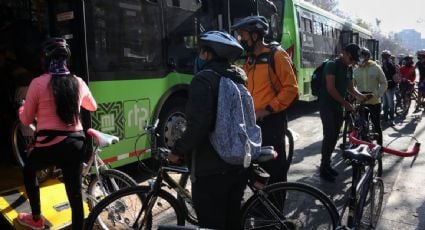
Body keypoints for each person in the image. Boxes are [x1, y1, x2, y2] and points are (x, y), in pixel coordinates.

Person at [167, 31, 247, 230]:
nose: (199, 57)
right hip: (237, 162)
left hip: (210, 167)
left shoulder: (204, 80)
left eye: (201, 52)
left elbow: (198, 124)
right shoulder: (238, 78)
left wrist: (178, 150)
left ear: (209, 55)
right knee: (232, 221)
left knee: (211, 224)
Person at [17, 38, 97, 230]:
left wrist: (21, 110)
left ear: (45, 60)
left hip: (48, 146)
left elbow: (26, 120)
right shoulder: (78, 82)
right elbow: (92, 107)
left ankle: (36, 218)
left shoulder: (37, 83)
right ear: (66, 60)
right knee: (75, 193)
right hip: (75, 145)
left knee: (29, 171)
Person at [231, 15, 298, 184]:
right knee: (257, 168)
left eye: (243, 35)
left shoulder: (277, 55)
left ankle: (275, 207)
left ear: (255, 35)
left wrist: (267, 109)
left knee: (275, 168)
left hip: (272, 119)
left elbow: (291, 89)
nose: (241, 39)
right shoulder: (251, 59)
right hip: (254, 121)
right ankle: (261, 206)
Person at [318, 43, 367, 182]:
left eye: (354, 60)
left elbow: (351, 88)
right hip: (327, 105)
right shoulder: (332, 65)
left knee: (334, 137)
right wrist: (345, 103)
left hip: (338, 106)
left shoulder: (348, 68)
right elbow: (331, 88)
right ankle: (323, 167)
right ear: (344, 53)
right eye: (351, 58)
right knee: (329, 136)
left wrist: (361, 96)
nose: (353, 62)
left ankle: (327, 165)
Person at [353, 47, 387, 145]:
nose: (361, 58)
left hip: (374, 102)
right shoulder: (355, 70)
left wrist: (377, 95)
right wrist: (355, 95)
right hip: (361, 102)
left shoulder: (376, 67)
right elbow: (352, 86)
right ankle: (364, 146)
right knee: (362, 126)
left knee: (376, 125)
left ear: (368, 57)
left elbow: (384, 83)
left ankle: (380, 147)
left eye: (363, 56)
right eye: (360, 56)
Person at [381, 50, 397, 126]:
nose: (384, 57)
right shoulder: (382, 64)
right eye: (383, 56)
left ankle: (391, 119)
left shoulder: (390, 64)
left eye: (386, 56)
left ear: (389, 56)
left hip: (390, 86)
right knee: (385, 104)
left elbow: (393, 75)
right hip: (384, 86)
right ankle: (385, 119)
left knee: (390, 104)